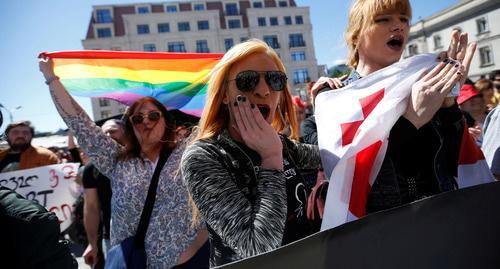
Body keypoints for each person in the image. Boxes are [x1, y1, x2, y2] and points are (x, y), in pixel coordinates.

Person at [303, 0, 476, 213]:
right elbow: (348, 177)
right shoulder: (333, 102)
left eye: (404, 19)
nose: (399, 26)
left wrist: (448, 102)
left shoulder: (424, 85)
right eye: (383, 19)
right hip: (383, 233)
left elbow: (459, 163)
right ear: (356, 36)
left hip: (444, 217)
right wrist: (412, 121)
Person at [38, 57, 209, 268]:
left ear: (166, 121)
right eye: (138, 118)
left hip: (190, 262)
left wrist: (192, 250)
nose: (146, 121)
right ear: (130, 127)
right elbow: (78, 122)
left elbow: (217, 117)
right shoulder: (116, 161)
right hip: (132, 262)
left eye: (153, 116)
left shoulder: (189, 152)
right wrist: (51, 79)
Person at [181, 39, 321, 267]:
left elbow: (335, 154)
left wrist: (331, 95)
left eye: (274, 80)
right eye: (248, 80)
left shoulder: (281, 144)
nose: (264, 91)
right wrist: (271, 160)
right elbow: (257, 247)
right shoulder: (203, 156)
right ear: (225, 94)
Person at [82, 119, 127, 268]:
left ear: (126, 133)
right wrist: (92, 243)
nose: (108, 135)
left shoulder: (143, 160)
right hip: (112, 240)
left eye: (113, 131)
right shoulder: (91, 169)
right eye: (104, 132)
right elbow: (91, 207)